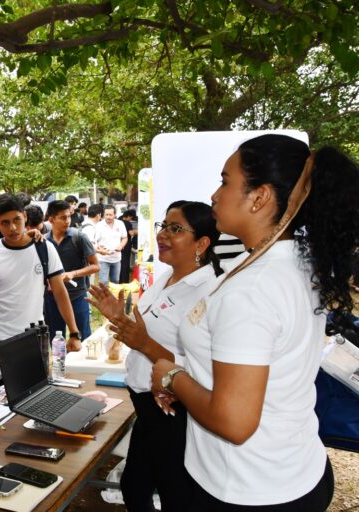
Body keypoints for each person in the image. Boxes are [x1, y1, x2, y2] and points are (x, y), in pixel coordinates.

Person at [152, 134, 357, 510]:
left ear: (260, 197)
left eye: (225, 181)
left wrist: (170, 376)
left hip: (248, 489)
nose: (214, 194)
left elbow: (235, 422)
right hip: (291, 467)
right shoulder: (289, 261)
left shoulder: (253, 288)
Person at [88, 200, 222, 511]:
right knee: (135, 486)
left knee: (174, 493)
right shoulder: (168, 277)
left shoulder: (208, 291)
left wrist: (145, 344)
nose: (163, 234)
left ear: (202, 243)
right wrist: (117, 315)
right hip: (146, 404)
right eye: (163, 226)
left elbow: (205, 368)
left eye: (175, 229)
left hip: (174, 410)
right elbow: (142, 331)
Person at [0, 194, 83, 377]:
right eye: (5, 223)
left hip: (35, 338)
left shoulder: (44, 248)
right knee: (0, 400)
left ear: (25, 216)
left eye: (17, 219)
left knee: (35, 397)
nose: (13, 228)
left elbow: (60, 292)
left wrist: (74, 332)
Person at [44, 200, 99, 341]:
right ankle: (60, 363)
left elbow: (95, 266)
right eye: (62, 217)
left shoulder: (79, 237)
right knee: (56, 339)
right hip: (52, 298)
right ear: (51, 219)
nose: (67, 221)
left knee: (84, 337)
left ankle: (83, 364)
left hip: (78, 295)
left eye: (69, 216)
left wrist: (73, 274)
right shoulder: (44, 242)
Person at [93, 204, 128, 285]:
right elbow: (95, 242)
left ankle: (113, 297)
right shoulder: (99, 225)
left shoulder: (120, 224)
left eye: (110, 215)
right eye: (106, 215)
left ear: (115, 215)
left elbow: (125, 238)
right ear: (103, 215)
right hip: (103, 259)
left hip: (117, 258)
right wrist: (100, 249)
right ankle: (102, 298)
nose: (108, 217)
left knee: (115, 281)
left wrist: (121, 246)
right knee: (103, 282)